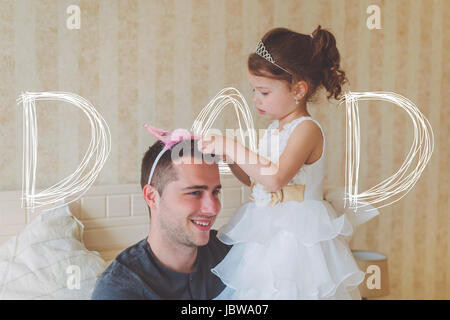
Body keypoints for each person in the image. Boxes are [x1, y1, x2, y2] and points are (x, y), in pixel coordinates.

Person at [197, 26, 378, 299]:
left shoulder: (307, 129)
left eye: (264, 92)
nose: (255, 99)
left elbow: (276, 177)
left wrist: (231, 144)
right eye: (254, 90)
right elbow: (259, 180)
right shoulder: (274, 130)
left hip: (298, 238)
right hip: (269, 230)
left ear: (298, 89)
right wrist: (233, 159)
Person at [92, 138, 231, 299]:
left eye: (215, 192)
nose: (213, 208)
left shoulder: (230, 252)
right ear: (152, 197)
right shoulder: (118, 290)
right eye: (194, 193)